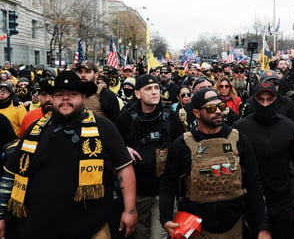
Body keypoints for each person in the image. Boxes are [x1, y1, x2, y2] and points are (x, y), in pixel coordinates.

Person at [0, 70, 137, 239]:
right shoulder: (35, 130)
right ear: (52, 99)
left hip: (92, 227)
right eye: (59, 94)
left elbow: (124, 169)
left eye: (72, 94)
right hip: (39, 227)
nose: (65, 98)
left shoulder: (104, 127)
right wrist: (1, 216)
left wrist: (130, 210)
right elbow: (10, 174)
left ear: (83, 98)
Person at [159, 88, 270, 238]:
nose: (218, 111)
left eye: (222, 107)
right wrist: (165, 218)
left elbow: (254, 183)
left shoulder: (238, 139)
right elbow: (168, 181)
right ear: (197, 113)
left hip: (235, 225)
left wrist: (262, 225)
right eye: (211, 108)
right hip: (196, 227)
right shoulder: (182, 144)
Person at [234, 82, 294, 238]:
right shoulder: (240, 128)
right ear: (254, 100)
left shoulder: (289, 127)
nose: (265, 104)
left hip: (283, 199)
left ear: (276, 100)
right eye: (261, 100)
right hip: (252, 200)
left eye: (269, 99)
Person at [116, 74, 183, 239]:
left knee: (159, 236)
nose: (154, 92)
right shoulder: (126, 117)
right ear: (138, 94)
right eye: (148, 89)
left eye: (156, 88)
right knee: (140, 234)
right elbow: (113, 146)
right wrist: (123, 149)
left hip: (164, 191)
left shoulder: (169, 116)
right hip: (138, 192)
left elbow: (182, 144)